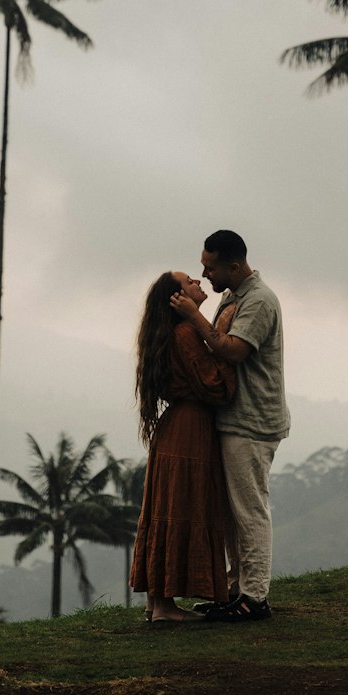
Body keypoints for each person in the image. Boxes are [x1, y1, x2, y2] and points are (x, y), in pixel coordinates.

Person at [170, 228, 289, 623]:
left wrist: (194, 316)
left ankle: (254, 597)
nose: (205, 277)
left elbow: (233, 351)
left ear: (234, 266)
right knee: (233, 512)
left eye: (211, 268)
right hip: (235, 419)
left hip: (252, 422)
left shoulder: (259, 301)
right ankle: (237, 589)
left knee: (249, 510)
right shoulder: (232, 297)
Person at [129, 269, 236, 626]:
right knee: (181, 507)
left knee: (168, 507)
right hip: (190, 430)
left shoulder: (172, 333)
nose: (198, 282)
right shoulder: (188, 333)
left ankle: (158, 600)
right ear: (178, 299)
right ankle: (165, 607)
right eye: (189, 281)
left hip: (175, 428)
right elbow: (216, 386)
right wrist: (223, 344)